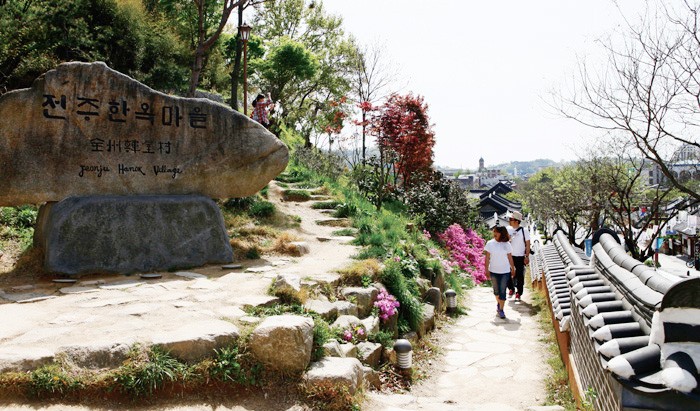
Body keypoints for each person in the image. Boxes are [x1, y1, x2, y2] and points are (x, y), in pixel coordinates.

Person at [484, 225, 516, 319]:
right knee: (496, 291)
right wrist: (486, 269)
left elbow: (510, 258)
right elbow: (487, 258)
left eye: (497, 232)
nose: (495, 234)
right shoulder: (490, 243)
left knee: (502, 291)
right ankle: (499, 303)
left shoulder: (507, 244)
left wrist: (513, 269)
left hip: (505, 271)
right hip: (493, 271)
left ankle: (501, 310)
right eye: (494, 232)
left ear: (502, 233)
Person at [506, 210, 531, 302]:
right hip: (509, 256)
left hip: (520, 256)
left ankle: (518, 293)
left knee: (520, 275)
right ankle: (511, 288)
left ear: (516, 221)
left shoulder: (524, 231)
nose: (509, 220)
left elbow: (528, 244)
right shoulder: (507, 229)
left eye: (511, 219)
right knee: (508, 273)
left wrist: (527, 256)